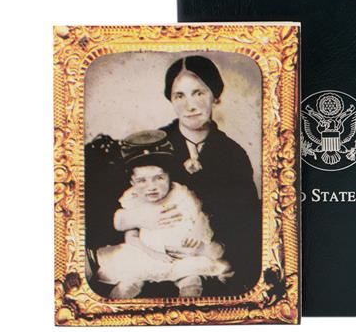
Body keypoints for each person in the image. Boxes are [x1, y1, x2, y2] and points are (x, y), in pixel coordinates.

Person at [156, 55, 261, 294]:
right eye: (179, 96)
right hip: (159, 258)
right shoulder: (154, 146)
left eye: (198, 93)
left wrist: (215, 247)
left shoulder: (233, 154)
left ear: (216, 96)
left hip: (213, 259)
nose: (190, 106)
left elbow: (246, 221)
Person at [96, 134, 231, 298]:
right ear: (132, 183)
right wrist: (151, 253)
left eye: (159, 178)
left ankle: (187, 309)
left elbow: (200, 216)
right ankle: (114, 308)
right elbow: (131, 235)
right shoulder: (133, 199)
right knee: (130, 278)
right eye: (142, 181)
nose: (151, 187)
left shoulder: (181, 194)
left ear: (169, 177)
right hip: (147, 253)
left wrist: (197, 234)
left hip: (183, 254)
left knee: (191, 277)